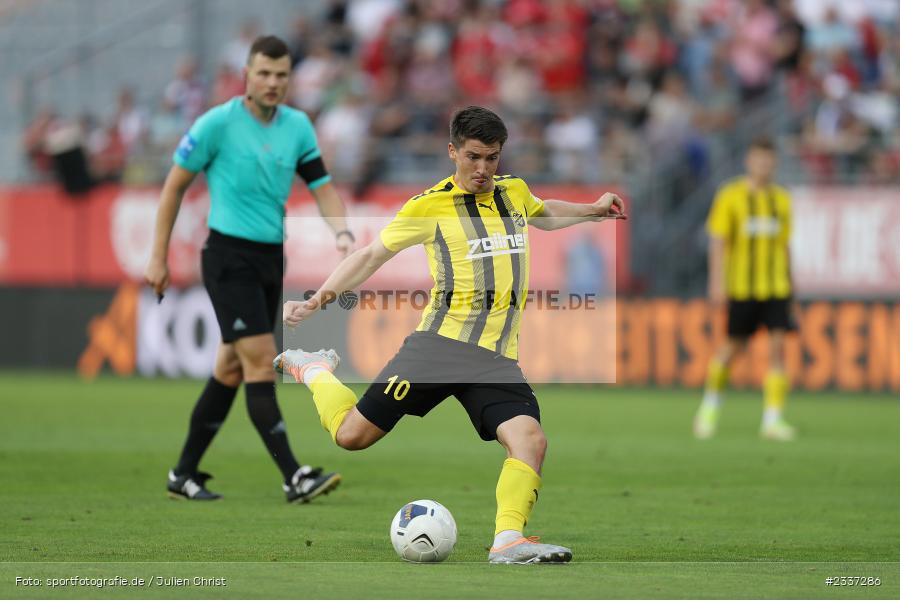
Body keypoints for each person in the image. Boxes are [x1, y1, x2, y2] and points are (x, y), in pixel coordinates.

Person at [275, 106, 626, 564]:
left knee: (530, 439)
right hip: (438, 348)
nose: (483, 169)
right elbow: (370, 256)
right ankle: (314, 368)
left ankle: (508, 540)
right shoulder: (428, 206)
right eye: (474, 157)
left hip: (495, 359)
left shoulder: (513, 192)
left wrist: (593, 211)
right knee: (351, 436)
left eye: (493, 158)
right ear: (452, 152)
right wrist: (316, 300)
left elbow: (542, 213)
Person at [145, 36, 353, 502]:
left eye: (281, 75)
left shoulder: (298, 126)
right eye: (264, 73)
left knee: (231, 367)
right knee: (260, 361)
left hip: (269, 260)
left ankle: (183, 474)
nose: (273, 82)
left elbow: (321, 185)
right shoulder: (217, 123)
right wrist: (157, 256)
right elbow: (174, 186)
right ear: (247, 73)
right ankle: (294, 475)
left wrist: (340, 230)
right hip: (227, 257)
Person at [693, 136, 797, 441]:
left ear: (774, 163)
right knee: (731, 349)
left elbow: (785, 245)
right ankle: (709, 407)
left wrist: (792, 283)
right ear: (748, 161)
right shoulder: (731, 195)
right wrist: (717, 281)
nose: (764, 165)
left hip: (776, 285)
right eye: (759, 159)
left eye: (768, 160)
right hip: (741, 287)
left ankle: (773, 419)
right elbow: (718, 240)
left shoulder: (782, 199)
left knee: (778, 348)